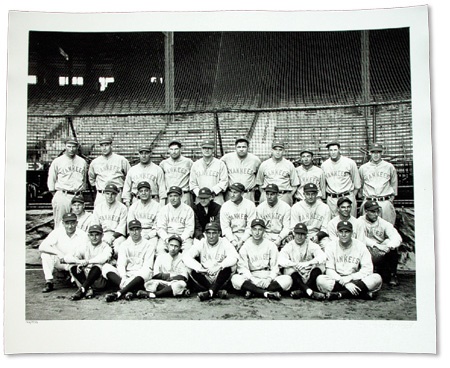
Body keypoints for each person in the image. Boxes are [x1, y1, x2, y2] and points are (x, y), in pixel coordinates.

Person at [316, 220, 382, 300]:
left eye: (347, 232)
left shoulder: (360, 246)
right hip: (337, 280)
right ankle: (363, 295)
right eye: (341, 232)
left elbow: (368, 269)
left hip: (356, 279)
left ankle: (340, 294)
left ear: (352, 233)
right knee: (320, 280)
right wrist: (345, 283)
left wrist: (351, 277)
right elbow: (329, 270)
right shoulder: (331, 246)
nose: (343, 235)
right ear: (337, 233)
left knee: (376, 278)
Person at [231, 219, 288, 300]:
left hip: (267, 275)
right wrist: (252, 279)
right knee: (235, 279)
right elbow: (243, 268)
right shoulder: (245, 246)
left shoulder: (271, 245)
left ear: (264, 231)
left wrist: (269, 279)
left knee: (287, 280)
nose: (257, 232)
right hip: (252, 276)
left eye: (260, 229)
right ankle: (266, 292)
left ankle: (253, 291)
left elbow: (275, 267)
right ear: (251, 231)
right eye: (254, 229)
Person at [183, 222, 239, 301]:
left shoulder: (224, 242)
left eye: (214, 233)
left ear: (219, 233)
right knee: (188, 267)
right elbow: (186, 257)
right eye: (208, 233)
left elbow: (234, 257)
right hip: (205, 275)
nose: (211, 236)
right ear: (205, 234)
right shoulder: (202, 242)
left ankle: (210, 292)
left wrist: (219, 266)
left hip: (219, 275)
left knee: (232, 266)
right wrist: (199, 268)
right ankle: (216, 291)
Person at [102, 220, 156, 302]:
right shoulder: (124, 244)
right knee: (106, 267)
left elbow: (147, 266)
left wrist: (132, 279)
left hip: (140, 276)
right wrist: (123, 277)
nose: (135, 232)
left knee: (147, 271)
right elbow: (121, 264)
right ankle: (130, 290)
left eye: (137, 229)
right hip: (126, 276)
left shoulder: (148, 245)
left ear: (141, 230)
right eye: (132, 230)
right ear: (129, 231)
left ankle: (119, 293)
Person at [39, 213, 89, 293]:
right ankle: (49, 282)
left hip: (74, 262)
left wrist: (77, 261)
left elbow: (86, 253)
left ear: (76, 223)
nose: (70, 226)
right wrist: (58, 253)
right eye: (67, 223)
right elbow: (42, 247)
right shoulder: (57, 232)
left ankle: (73, 278)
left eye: (72, 223)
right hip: (60, 261)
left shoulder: (83, 235)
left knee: (81, 286)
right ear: (63, 223)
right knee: (45, 255)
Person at [357, 200, 402, 286]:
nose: (376, 214)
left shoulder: (383, 222)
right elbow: (361, 238)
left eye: (377, 211)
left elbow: (397, 237)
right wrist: (376, 245)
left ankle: (393, 275)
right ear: (366, 211)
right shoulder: (359, 222)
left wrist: (389, 246)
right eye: (373, 212)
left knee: (390, 243)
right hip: (366, 251)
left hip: (380, 253)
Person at [277, 223, 327, 300]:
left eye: (302, 234)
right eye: (297, 234)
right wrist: (295, 264)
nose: (300, 236)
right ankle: (309, 291)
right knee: (288, 269)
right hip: (296, 275)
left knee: (320, 266)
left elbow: (322, 256)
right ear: (294, 234)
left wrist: (309, 263)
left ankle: (302, 291)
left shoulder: (310, 244)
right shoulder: (289, 245)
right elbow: (280, 259)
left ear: (306, 235)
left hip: (308, 273)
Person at [47, 138, 87, 228]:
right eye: (69, 146)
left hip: (77, 196)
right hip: (63, 194)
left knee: (77, 224)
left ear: (77, 147)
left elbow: (84, 180)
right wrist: (58, 195)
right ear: (65, 146)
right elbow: (51, 180)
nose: (71, 149)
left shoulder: (82, 162)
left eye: (73, 146)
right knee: (60, 224)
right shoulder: (57, 161)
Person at [65, 224, 112, 301]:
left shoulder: (106, 246)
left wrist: (88, 262)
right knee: (72, 265)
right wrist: (79, 262)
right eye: (92, 235)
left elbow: (103, 258)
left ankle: (83, 289)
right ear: (88, 236)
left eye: (97, 235)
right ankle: (87, 289)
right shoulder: (85, 246)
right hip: (84, 278)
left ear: (102, 235)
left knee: (98, 265)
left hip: (98, 280)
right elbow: (67, 257)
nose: (94, 237)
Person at [137, 234, 190, 299]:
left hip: (175, 282)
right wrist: (169, 276)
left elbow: (183, 277)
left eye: (176, 246)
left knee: (181, 284)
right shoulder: (160, 257)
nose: (173, 248)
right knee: (149, 284)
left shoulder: (183, 258)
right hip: (162, 282)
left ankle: (155, 294)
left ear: (180, 248)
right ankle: (170, 292)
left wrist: (171, 278)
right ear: (167, 245)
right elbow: (156, 274)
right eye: (171, 245)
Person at [359, 143, 398, 224]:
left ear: (382, 153)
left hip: (384, 202)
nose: (376, 155)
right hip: (369, 201)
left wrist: (390, 200)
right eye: (373, 152)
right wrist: (364, 199)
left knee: (387, 229)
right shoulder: (363, 168)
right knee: (367, 229)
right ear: (370, 153)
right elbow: (360, 186)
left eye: (378, 152)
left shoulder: (389, 167)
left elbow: (394, 185)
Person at [88, 136, 131, 207]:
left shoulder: (121, 160)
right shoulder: (95, 162)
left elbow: (129, 177)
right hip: (102, 194)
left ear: (111, 145)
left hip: (116, 193)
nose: (104, 148)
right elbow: (91, 179)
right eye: (102, 146)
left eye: (106, 145)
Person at [321, 141, 361, 217]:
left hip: (347, 196)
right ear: (328, 151)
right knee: (333, 224)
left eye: (335, 150)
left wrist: (351, 197)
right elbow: (324, 184)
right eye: (331, 150)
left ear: (339, 150)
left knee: (350, 222)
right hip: (332, 199)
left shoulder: (349, 163)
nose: (333, 152)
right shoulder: (324, 165)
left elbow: (357, 184)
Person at [256, 141, 299, 206]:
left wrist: (288, 195)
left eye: (280, 150)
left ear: (283, 151)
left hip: (283, 195)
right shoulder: (264, 164)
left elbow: (294, 184)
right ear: (271, 150)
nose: (278, 152)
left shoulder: (289, 165)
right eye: (275, 149)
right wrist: (265, 194)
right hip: (268, 195)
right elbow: (260, 183)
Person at [290, 183, 331, 249]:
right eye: (308, 194)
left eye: (313, 194)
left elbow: (325, 228)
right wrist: (303, 237)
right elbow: (293, 227)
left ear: (317, 194)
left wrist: (318, 236)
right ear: (304, 194)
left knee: (328, 245)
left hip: (318, 235)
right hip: (301, 234)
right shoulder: (296, 207)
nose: (310, 196)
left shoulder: (324, 207)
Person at [156, 186, 195, 255]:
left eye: (175, 196)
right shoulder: (164, 209)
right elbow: (160, 228)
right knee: (160, 249)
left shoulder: (188, 210)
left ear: (181, 196)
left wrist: (180, 239)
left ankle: (183, 266)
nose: (173, 199)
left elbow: (190, 229)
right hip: (168, 236)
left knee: (188, 250)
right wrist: (167, 239)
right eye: (170, 196)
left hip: (183, 238)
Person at [221, 137, 261, 203]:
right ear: (235, 148)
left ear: (248, 147)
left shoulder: (255, 160)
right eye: (239, 147)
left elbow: (259, 176)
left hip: (248, 193)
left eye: (244, 147)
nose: (241, 149)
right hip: (231, 193)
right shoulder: (226, 158)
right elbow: (220, 170)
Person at [91, 183, 127, 256]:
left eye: (113, 194)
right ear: (104, 194)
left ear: (116, 195)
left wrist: (112, 237)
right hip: (103, 234)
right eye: (107, 193)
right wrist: (102, 237)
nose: (110, 196)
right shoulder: (98, 207)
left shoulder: (123, 208)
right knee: (100, 249)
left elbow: (122, 227)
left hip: (118, 236)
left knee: (118, 250)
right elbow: (95, 225)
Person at [189, 139, 228, 205]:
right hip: (200, 198)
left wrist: (211, 192)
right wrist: (201, 194)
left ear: (213, 149)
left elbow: (224, 181)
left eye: (209, 148)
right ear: (201, 149)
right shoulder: (195, 164)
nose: (207, 150)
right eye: (204, 148)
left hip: (216, 197)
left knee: (217, 215)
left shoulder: (220, 164)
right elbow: (192, 183)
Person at [220, 182, 256, 251]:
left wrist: (242, 241)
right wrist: (232, 241)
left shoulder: (250, 205)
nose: (232, 195)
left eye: (235, 192)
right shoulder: (225, 206)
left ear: (242, 193)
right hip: (231, 235)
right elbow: (225, 227)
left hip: (246, 236)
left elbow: (250, 227)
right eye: (231, 192)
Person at [127, 181, 162, 249]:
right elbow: (130, 225)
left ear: (150, 192)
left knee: (152, 248)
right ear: (138, 193)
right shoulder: (133, 206)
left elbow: (158, 227)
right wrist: (137, 235)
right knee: (128, 247)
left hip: (151, 234)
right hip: (136, 232)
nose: (143, 193)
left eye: (146, 191)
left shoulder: (158, 206)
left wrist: (148, 236)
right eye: (141, 191)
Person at [255, 184, 291, 249]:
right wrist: (268, 240)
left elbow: (287, 228)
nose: (269, 197)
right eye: (267, 194)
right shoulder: (260, 208)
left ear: (277, 194)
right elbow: (259, 227)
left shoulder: (286, 207)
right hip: (265, 236)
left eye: (272, 194)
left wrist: (279, 239)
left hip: (281, 236)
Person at [159, 139, 194, 206]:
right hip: (170, 195)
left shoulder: (188, 162)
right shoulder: (164, 163)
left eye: (176, 149)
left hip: (184, 194)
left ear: (180, 149)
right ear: (168, 150)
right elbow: (161, 182)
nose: (174, 152)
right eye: (171, 149)